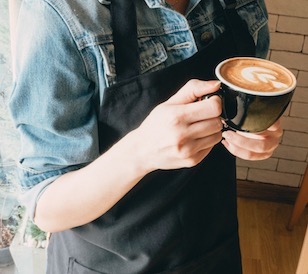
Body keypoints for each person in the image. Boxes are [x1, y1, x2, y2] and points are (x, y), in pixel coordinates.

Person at [9, 0, 282, 273]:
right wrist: (140, 152)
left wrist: (258, 128)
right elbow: (46, 208)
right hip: (109, 264)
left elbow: (248, 97)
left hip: (212, 251)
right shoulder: (59, 13)